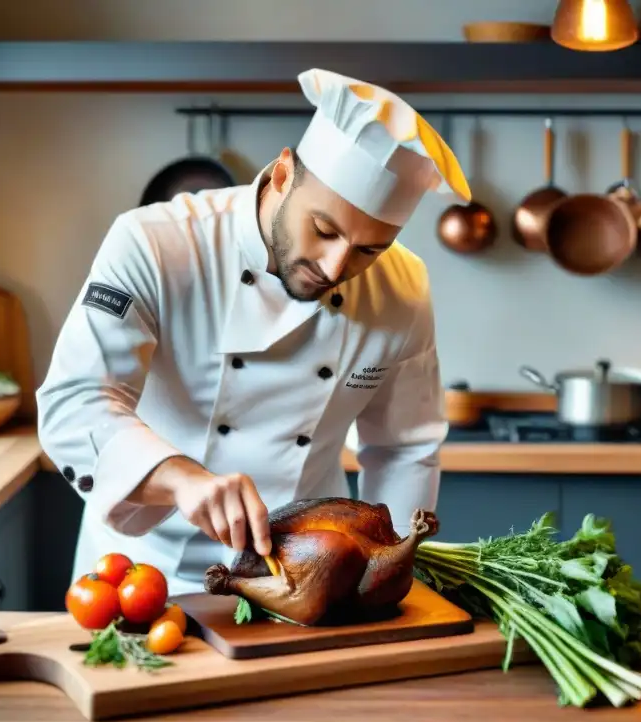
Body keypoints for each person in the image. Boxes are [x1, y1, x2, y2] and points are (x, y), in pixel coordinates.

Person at [37, 68, 472, 594]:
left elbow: (404, 449)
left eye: (368, 250)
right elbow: (75, 401)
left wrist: (390, 574)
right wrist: (181, 477)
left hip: (308, 576)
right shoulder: (157, 244)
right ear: (284, 175)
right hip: (141, 575)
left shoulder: (403, 287)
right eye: (324, 230)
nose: (336, 267)